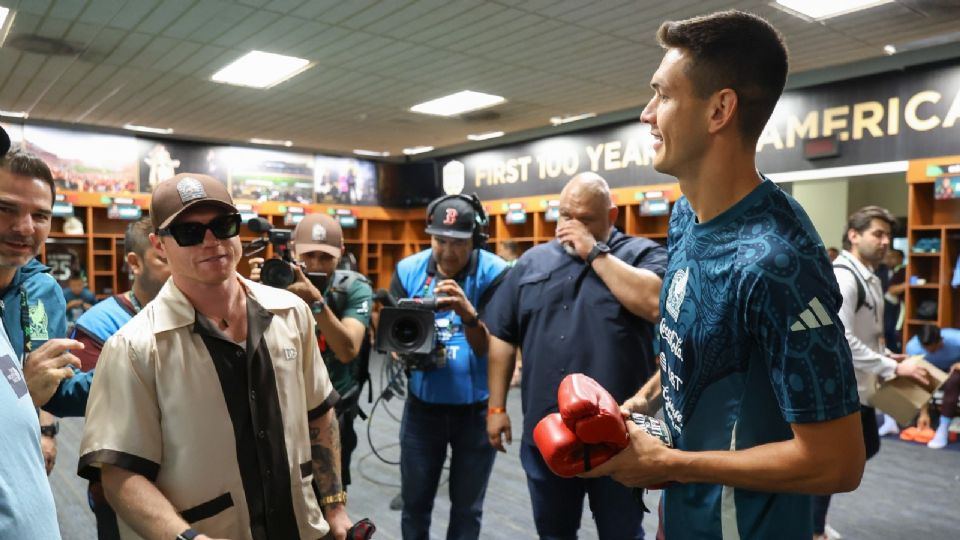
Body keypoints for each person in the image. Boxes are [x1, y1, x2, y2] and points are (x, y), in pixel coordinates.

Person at [581, 11, 866, 540]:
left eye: (662, 95)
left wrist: (672, 465)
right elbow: (704, 348)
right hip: (686, 517)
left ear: (719, 110)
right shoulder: (687, 215)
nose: (646, 114)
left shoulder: (779, 263)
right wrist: (643, 402)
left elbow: (837, 463)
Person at [78, 173, 352, 540]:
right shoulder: (133, 348)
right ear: (160, 245)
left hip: (300, 527)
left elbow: (318, 412)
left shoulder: (292, 313)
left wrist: (334, 508)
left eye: (224, 225)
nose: (212, 241)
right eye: (190, 232)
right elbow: (119, 475)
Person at [485, 172, 666, 539]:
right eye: (566, 216)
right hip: (548, 434)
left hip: (619, 437)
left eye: (585, 219)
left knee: (622, 533)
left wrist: (593, 251)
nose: (571, 227)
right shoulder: (531, 263)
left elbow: (654, 303)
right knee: (554, 532)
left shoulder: (642, 254)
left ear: (611, 217)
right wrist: (497, 407)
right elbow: (502, 336)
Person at [389, 193, 508, 540]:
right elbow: (396, 336)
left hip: (475, 411)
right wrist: (401, 349)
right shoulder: (408, 269)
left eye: (459, 243)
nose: (448, 252)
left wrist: (469, 316)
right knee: (415, 504)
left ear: (476, 239)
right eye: (440, 240)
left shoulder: (495, 273)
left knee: (467, 509)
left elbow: (493, 347)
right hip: (422, 410)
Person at [814, 206, 930, 539]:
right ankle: (811, 528)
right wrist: (894, 366)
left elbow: (864, 334)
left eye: (887, 236)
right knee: (834, 465)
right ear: (854, 235)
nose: (885, 242)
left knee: (859, 453)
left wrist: (886, 355)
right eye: (877, 234)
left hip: (860, 388)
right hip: (839, 390)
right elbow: (842, 338)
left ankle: (813, 522)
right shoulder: (844, 276)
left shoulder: (869, 275)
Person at [0, 125, 86, 537]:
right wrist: (25, 393)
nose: (25, 228)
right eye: (6, 209)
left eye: (41, 215)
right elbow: (25, 385)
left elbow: (50, 378)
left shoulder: (40, 289)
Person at [250, 213, 374, 492]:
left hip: (332, 410)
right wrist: (252, 292)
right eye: (309, 255)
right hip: (280, 409)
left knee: (328, 497)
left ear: (341, 253)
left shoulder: (353, 289)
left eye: (325, 256)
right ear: (292, 250)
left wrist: (316, 303)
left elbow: (347, 350)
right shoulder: (272, 284)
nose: (317, 264)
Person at [69, 217, 171, 539]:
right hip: (121, 478)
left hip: (184, 475)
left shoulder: (199, 312)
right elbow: (70, 396)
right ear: (134, 262)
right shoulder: (100, 322)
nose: (177, 268)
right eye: (164, 260)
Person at [907, 324, 960, 449]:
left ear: (941, 340)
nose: (931, 352)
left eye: (934, 348)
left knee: (954, 381)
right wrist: (924, 413)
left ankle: (943, 427)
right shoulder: (913, 348)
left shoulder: (955, 338)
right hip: (931, 371)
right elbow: (920, 380)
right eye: (927, 349)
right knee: (915, 376)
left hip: (954, 369)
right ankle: (892, 420)